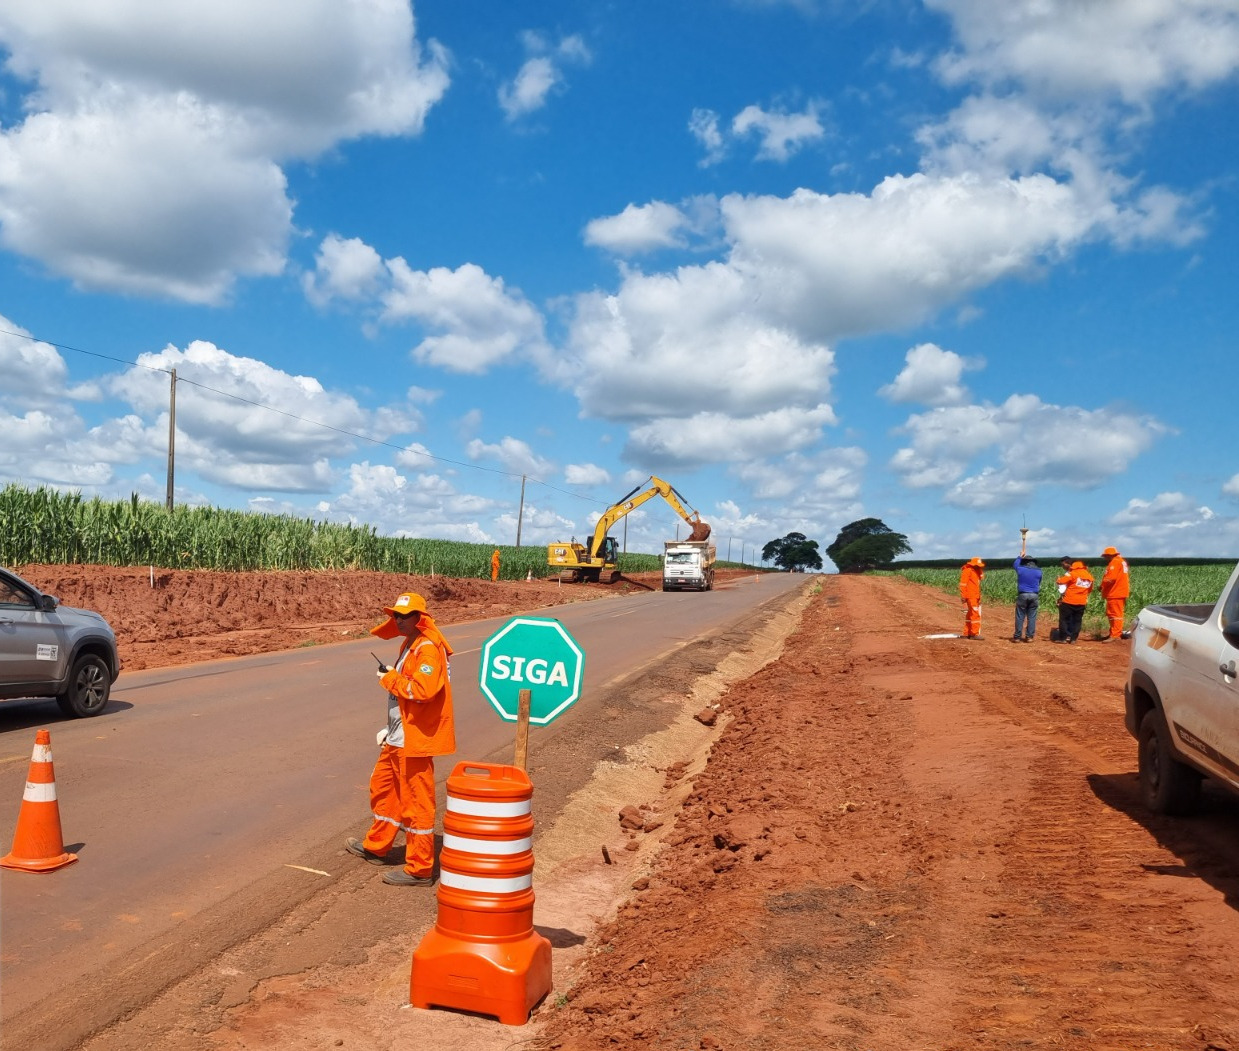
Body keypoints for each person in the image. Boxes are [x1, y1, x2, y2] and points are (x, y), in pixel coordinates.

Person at [345, 592, 455, 886]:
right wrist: (390, 726)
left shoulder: (429, 649)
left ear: (421, 617)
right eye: (396, 615)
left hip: (414, 741)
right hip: (398, 736)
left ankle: (419, 868)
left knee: (416, 804)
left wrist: (389, 679)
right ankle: (377, 846)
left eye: (405, 615)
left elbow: (422, 691)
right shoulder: (411, 643)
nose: (398, 620)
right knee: (385, 791)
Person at [1055, 559, 1094, 643]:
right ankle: (1073, 639)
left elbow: (1061, 582)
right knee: (1077, 621)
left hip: (1069, 601)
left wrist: (1058, 579)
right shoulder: (1089, 577)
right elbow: (1090, 590)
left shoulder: (1072, 574)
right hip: (1081, 602)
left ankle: (1063, 638)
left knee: (1064, 620)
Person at [1099, 545, 1130, 640]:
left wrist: (1102, 585)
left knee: (1115, 614)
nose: (1105, 558)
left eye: (1105, 556)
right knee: (1113, 613)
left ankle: (1115, 635)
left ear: (1109, 555)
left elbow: (1110, 578)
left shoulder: (1115, 562)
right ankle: (1114, 633)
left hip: (1115, 592)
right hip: (1118, 592)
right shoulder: (1121, 561)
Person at [1012, 548, 1042, 643]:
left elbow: (1015, 564)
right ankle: (1029, 637)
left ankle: (1017, 637)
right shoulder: (1039, 571)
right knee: (1032, 617)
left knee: (1020, 616)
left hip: (1023, 594)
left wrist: (1020, 556)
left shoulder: (1021, 569)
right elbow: (1039, 582)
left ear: (1024, 562)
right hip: (1034, 595)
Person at [959, 557, 985, 639]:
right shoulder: (967, 570)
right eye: (978, 565)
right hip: (971, 596)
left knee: (970, 614)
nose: (979, 567)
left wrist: (979, 569)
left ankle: (967, 633)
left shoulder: (976, 571)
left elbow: (982, 577)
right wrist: (963, 596)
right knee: (975, 614)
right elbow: (963, 584)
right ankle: (974, 634)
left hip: (975, 596)